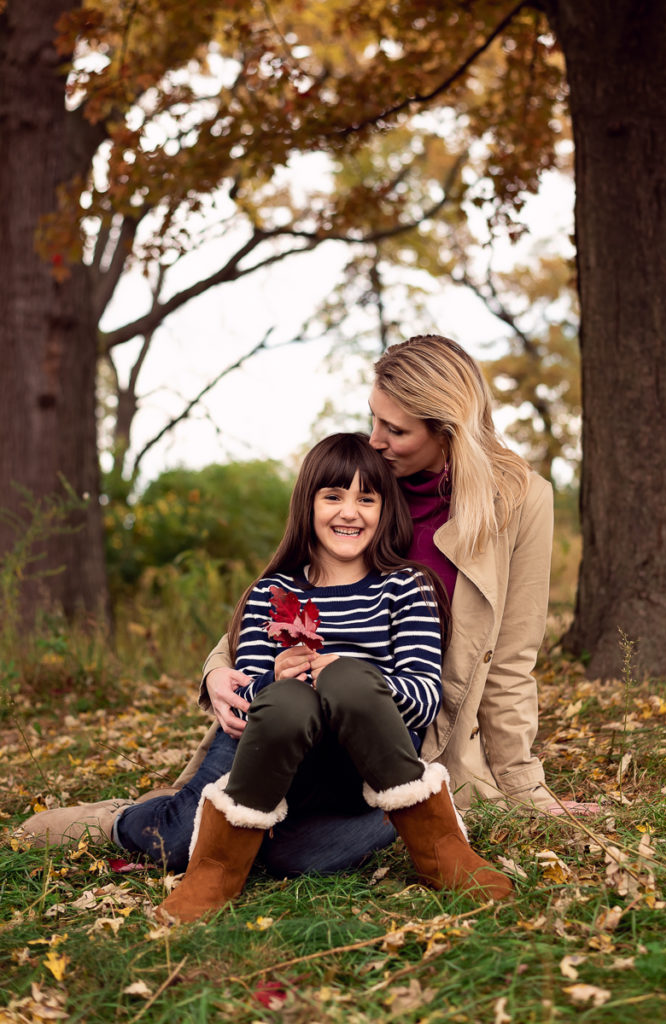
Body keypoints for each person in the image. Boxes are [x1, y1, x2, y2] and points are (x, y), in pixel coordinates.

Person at [19, 433, 513, 920]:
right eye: (333, 496)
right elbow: (244, 700)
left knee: (295, 858)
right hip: (269, 754)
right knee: (178, 840)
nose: (349, 511)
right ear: (308, 504)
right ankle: (119, 821)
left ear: (386, 509)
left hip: (363, 767)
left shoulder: (408, 588)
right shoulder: (271, 593)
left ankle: (438, 844)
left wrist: (349, 676)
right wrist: (272, 678)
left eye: (367, 498)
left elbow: (425, 699)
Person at [188, 335, 597, 820]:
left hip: (404, 729)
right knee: (185, 827)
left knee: (312, 842)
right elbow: (291, 589)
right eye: (374, 418)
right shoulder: (368, 485)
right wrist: (217, 667)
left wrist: (523, 787)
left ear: (446, 431)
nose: (376, 440)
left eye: (396, 430)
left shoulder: (519, 501)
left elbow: (509, 660)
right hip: (300, 720)